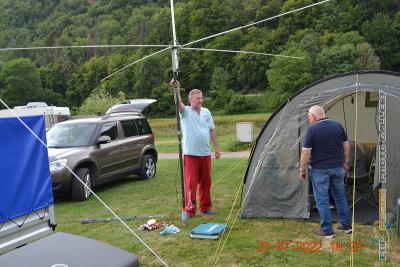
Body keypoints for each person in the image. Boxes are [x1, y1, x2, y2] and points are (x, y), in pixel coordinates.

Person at [299, 105, 352, 238]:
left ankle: (327, 230)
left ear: (313, 116)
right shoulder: (338, 126)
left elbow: (306, 152)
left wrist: (302, 169)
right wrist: (344, 162)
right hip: (338, 168)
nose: (309, 119)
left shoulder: (312, 129)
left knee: (322, 200)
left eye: (309, 117)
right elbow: (346, 146)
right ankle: (346, 226)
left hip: (320, 170)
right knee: (340, 197)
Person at [171, 79, 221, 217]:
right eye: (198, 98)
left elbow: (212, 130)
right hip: (190, 154)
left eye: (201, 98)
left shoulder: (206, 112)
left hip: (205, 153)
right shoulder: (185, 112)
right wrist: (176, 89)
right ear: (190, 99)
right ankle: (190, 209)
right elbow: (178, 103)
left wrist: (216, 148)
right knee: (191, 184)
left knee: (206, 182)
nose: (200, 100)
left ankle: (206, 208)